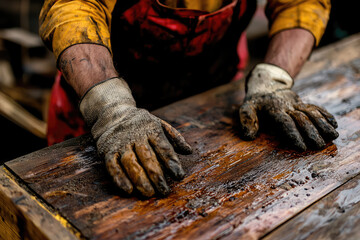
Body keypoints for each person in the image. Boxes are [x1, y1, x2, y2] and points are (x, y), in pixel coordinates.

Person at [39, 0, 338, 197]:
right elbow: (74, 8)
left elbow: (301, 3)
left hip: (214, 106)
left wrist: (274, 77)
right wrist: (111, 108)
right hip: (98, 112)